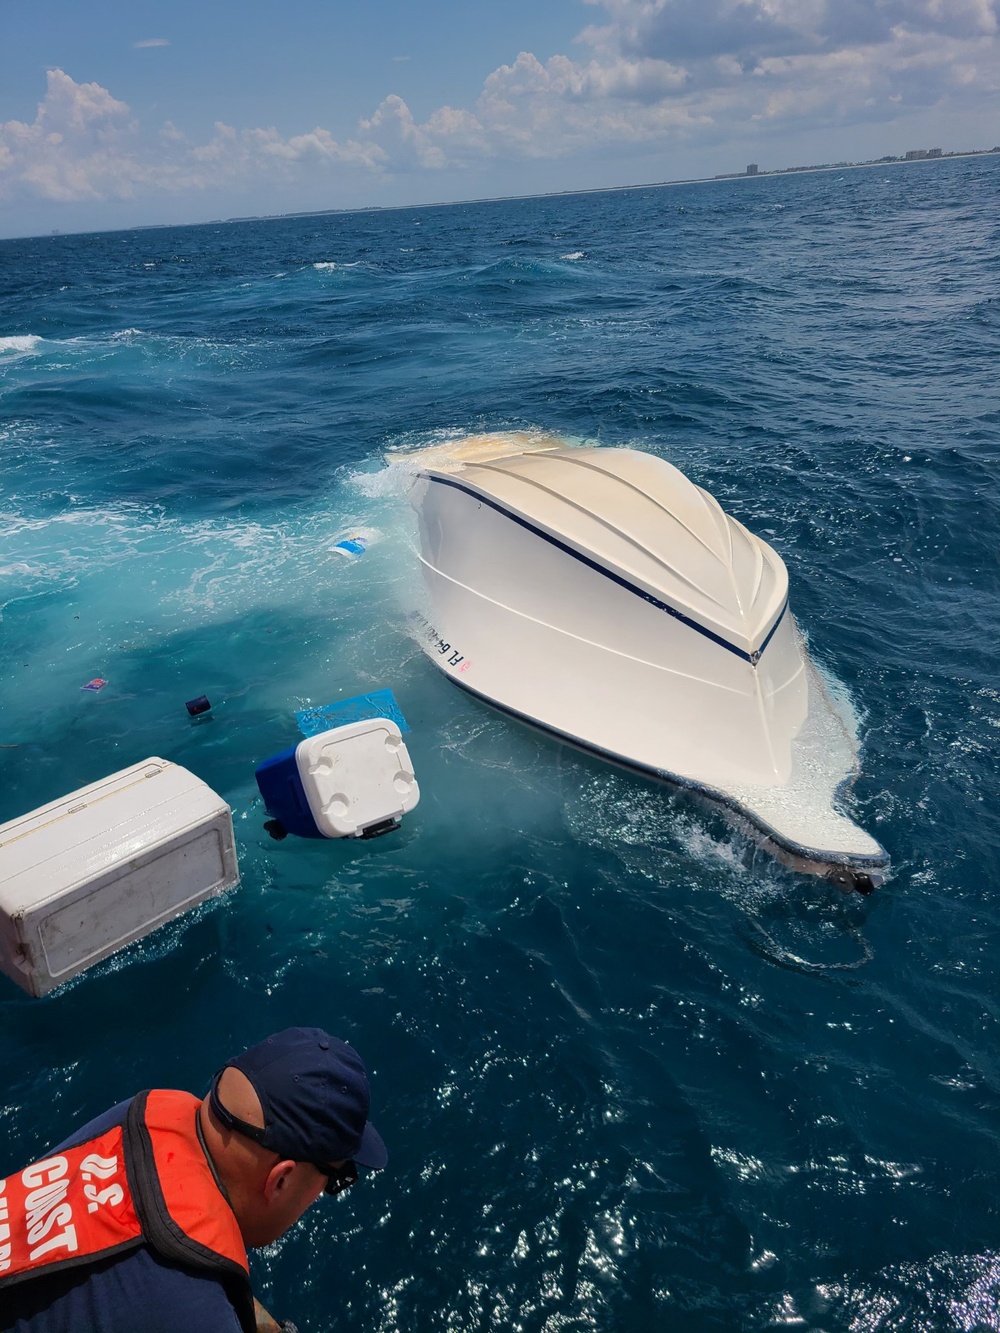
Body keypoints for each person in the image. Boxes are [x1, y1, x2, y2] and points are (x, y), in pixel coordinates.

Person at [0, 1027, 387, 1333]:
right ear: (281, 1179)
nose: (324, 1193)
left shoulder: (136, 1116)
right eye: (336, 1178)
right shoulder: (193, 1315)